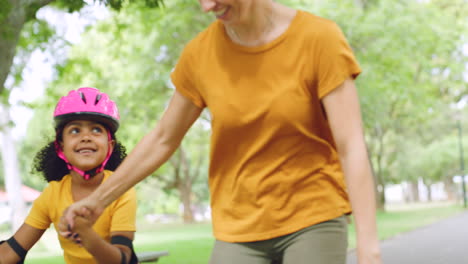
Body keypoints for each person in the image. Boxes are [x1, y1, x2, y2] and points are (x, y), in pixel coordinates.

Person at [60, 1, 382, 263]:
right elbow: (163, 138)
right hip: (237, 226)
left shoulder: (318, 39)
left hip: (312, 215)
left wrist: (369, 249)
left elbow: (350, 144)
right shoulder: (200, 55)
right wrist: (100, 200)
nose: (207, 6)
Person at [0, 87, 138, 264]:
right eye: (75, 130)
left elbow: (123, 258)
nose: (86, 137)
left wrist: (86, 234)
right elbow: (11, 251)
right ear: (60, 146)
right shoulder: (52, 194)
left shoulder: (121, 189)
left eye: (96, 129)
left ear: (110, 146)